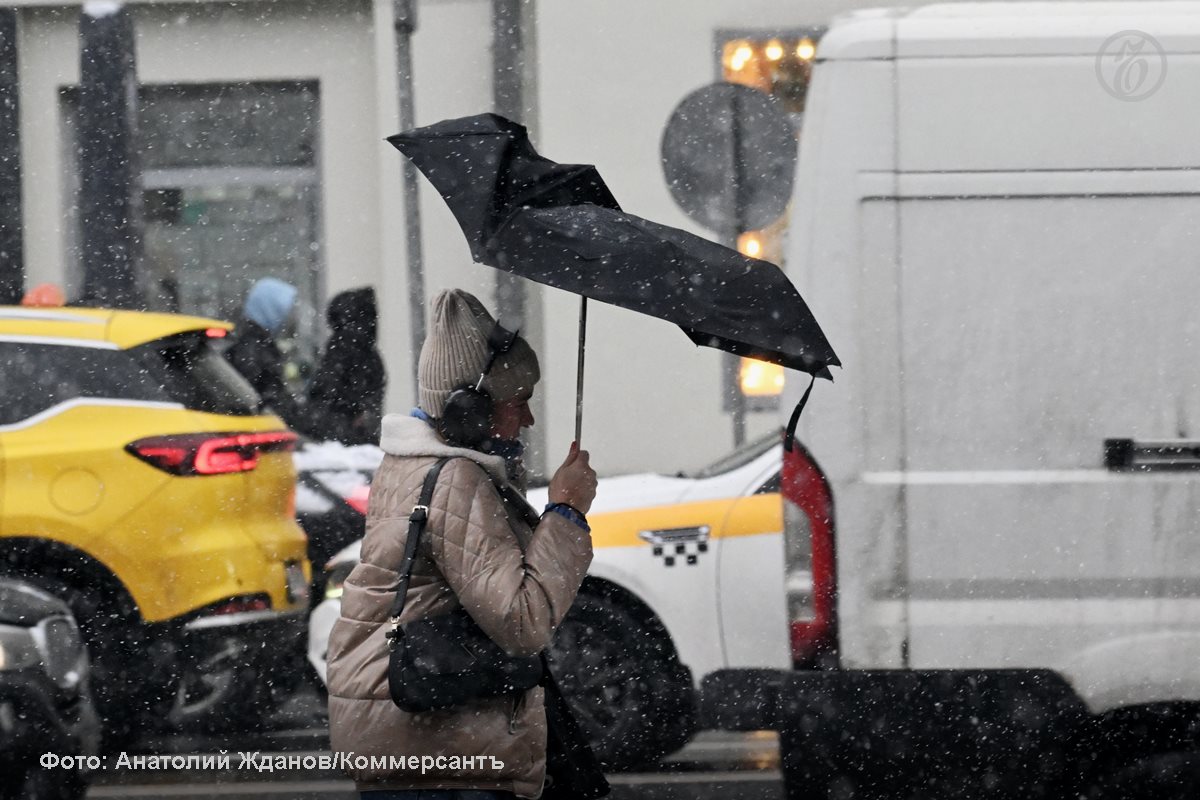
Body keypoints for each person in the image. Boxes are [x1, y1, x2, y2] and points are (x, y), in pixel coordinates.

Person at [326, 288, 598, 800]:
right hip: (439, 753)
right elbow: (523, 622)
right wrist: (566, 512)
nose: (529, 420)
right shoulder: (454, 479)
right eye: (519, 403)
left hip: (411, 735)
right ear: (468, 410)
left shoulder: (412, 462)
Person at [305, 287, 387, 445]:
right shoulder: (369, 351)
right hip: (363, 431)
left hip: (339, 432)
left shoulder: (341, 345)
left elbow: (327, 387)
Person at [224, 277, 306, 429]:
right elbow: (258, 397)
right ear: (271, 309)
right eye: (284, 311)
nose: (288, 319)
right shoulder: (254, 347)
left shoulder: (258, 343)